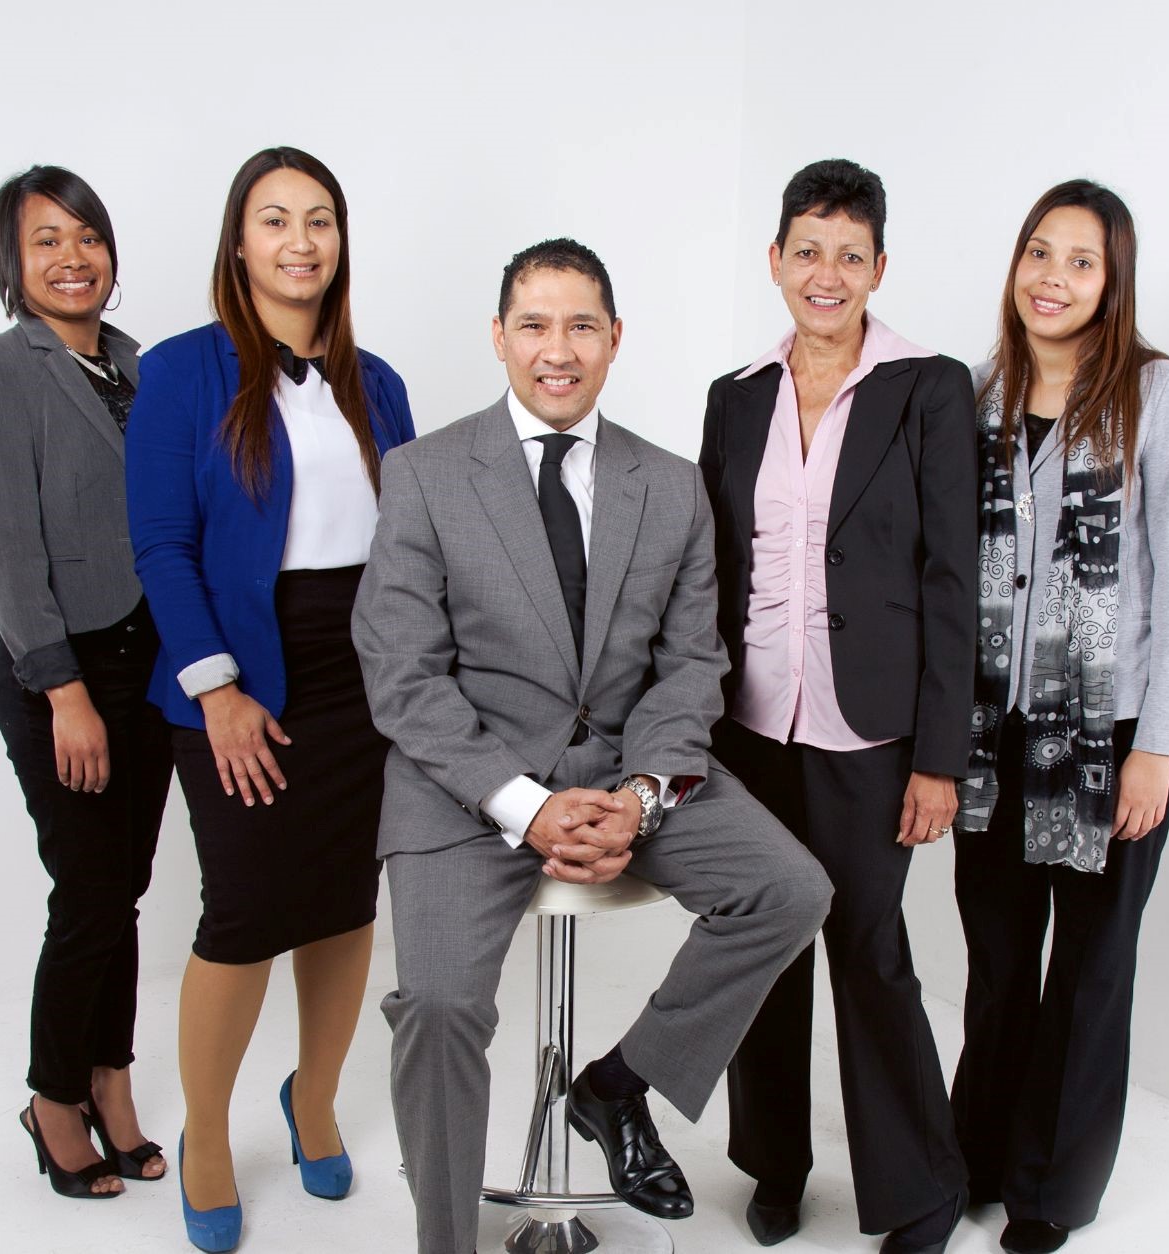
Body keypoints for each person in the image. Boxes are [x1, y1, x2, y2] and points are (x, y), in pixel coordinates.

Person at [352, 238, 833, 1254]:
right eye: (533, 324)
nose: (556, 349)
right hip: (465, 787)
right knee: (436, 1004)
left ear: (616, 340)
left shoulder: (670, 483)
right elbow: (403, 676)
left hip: (627, 771)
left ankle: (619, 1085)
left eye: (581, 326)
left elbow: (690, 664)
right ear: (498, 338)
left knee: (792, 889)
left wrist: (643, 794)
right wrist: (523, 803)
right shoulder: (425, 474)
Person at [125, 147, 415, 1252]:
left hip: (364, 673)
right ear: (238, 243)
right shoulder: (182, 372)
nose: (301, 240)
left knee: (345, 903)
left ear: (340, 243)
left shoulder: (376, 379)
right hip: (240, 669)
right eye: (275, 219)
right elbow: (161, 543)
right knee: (244, 913)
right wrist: (219, 692)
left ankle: (315, 1100)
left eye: (321, 220)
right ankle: (207, 1132)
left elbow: (414, 537)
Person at [699, 158, 978, 1253]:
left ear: (879, 269)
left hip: (874, 730)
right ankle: (774, 1166)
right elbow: (714, 570)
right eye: (807, 250)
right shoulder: (737, 398)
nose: (827, 274)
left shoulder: (929, 387)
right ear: (776, 260)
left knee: (867, 944)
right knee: (766, 943)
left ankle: (918, 1192)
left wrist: (941, 756)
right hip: (750, 726)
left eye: (849, 255)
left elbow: (954, 575)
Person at [950, 180, 1169, 1254]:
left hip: (1110, 735)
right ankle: (975, 1154)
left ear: (1113, 282)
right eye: (1039, 253)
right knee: (1001, 959)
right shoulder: (975, 395)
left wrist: (1160, 745)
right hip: (996, 733)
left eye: (1081, 261)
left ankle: (1052, 1189)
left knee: (1093, 966)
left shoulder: (1156, 391)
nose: (1052, 279)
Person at [0, 165, 174, 1200]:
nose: (71, 258)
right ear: (15, 261)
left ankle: (109, 1079)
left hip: (149, 667)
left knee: (120, 895)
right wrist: (63, 691)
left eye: (86, 237)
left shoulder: (137, 367)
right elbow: (5, 547)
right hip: (63, 674)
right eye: (46, 240)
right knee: (87, 894)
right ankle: (51, 1100)